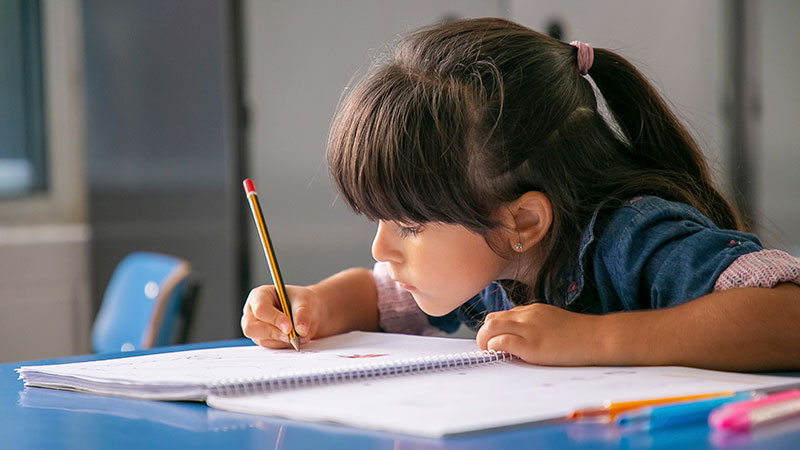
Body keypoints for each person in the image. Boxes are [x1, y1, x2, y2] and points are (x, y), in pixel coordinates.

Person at [241, 18, 800, 370]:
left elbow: (787, 317)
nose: (380, 249)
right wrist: (314, 306)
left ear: (523, 221)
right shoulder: (491, 261)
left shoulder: (633, 238)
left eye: (409, 225)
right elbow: (380, 296)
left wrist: (596, 340)